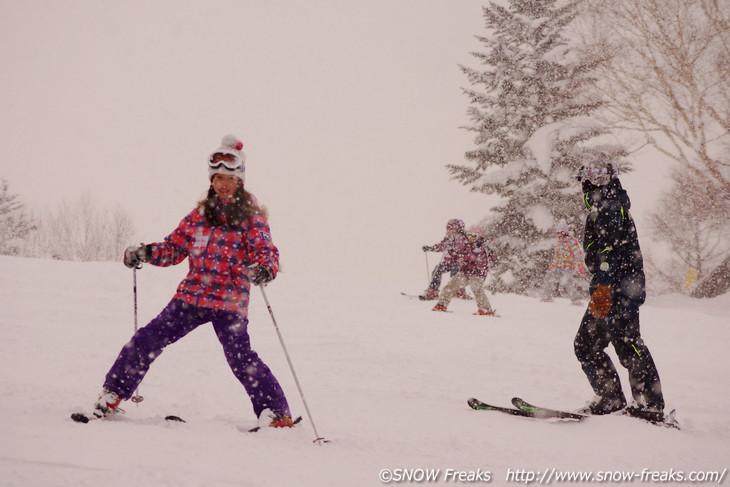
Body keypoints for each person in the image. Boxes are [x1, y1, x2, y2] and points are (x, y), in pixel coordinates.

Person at [90, 134, 294, 429]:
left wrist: (266, 269)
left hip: (229, 300)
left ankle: (276, 414)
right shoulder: (199, 216)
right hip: (192, 297)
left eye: (229, 178)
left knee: (240, 357)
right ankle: (112, 394)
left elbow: (267, 252)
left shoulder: (251, 218)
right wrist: (146, 252)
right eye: (218, 177)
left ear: (240, 181)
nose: (223, 184)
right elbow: (174, 248)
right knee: (148, 339)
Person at [573, 166, 665, 422]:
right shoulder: (604, 209)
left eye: (592, 181)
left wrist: (608, 289)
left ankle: (647, 404)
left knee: (619, 344)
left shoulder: (610, 208)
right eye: (585, 181)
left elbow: (610, 254)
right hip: (612, 289)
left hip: (617, 290)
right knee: (598, 344)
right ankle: (613, 399)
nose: (588, 187)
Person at [432, 230, 497, 316]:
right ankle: (442, 304)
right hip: (465, 272)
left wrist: (483, 251)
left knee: (476, 289)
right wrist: (451, 249)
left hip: (477, 273)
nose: (471, 238)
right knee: (451, 286)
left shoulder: (482, 247)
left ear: (479, 236)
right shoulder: (466, 246)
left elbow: (487, 258)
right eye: (469, 235)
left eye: (474, 236)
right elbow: (457, 256)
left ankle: (485, 309)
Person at [539, 220, 587, 305]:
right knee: (549, 277)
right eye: (557, 232)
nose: (559, 234)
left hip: (568, 267)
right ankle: (546, 297)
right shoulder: (559, 242)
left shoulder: (572, 241)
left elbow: (578, 254)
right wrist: (553, 264)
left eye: (561, 232)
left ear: (566, 232)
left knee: (568, 282)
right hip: (558, 266)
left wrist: (580, 265)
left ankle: (575, 300)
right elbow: (557, 256)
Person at [420, 219, 470, 300]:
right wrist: (431, 248)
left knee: (455, 272)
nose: (449, 229)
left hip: (460, 261)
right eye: (448, 227)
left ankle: (459, 291)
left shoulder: (463, 238)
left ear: (458, 228)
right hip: (450, 261)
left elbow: (463, 248)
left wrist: (453, 246)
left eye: (451, 227)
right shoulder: (448, 236)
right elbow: (441, 246)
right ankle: (433, 290)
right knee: (438, 269)